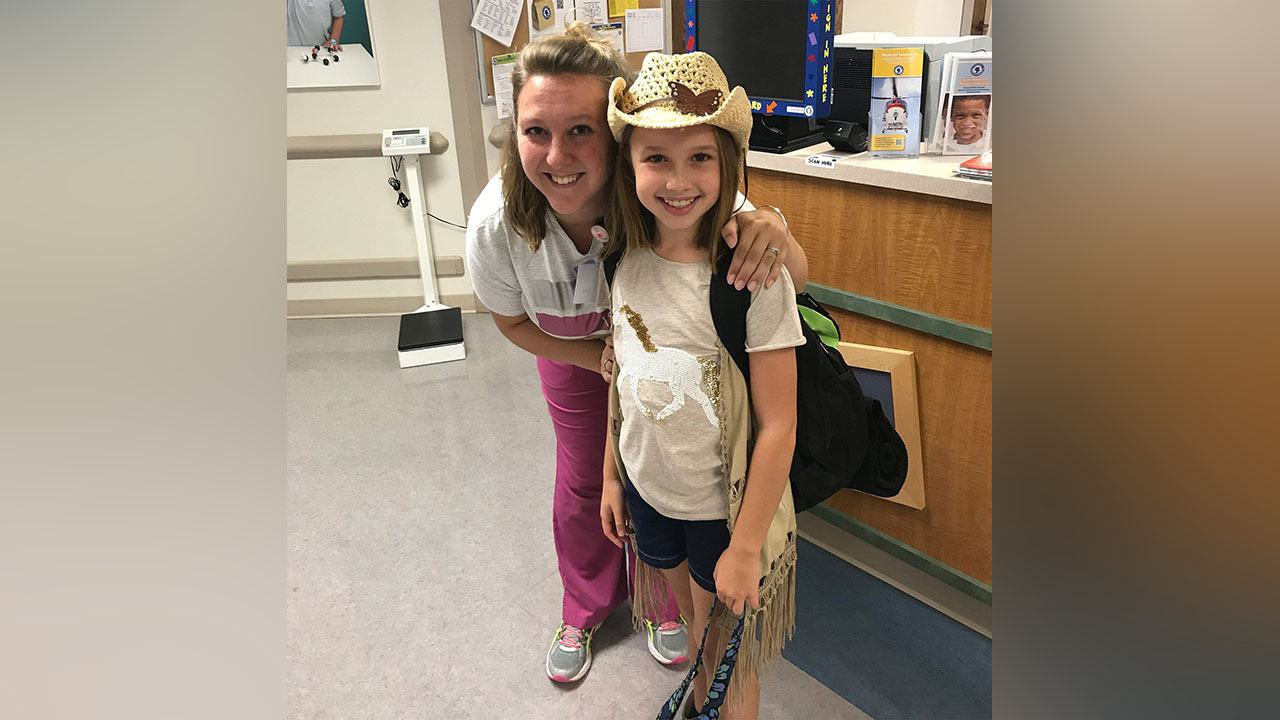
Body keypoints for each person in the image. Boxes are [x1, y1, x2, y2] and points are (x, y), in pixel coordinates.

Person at [465, 24, 807, 685]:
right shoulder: (495, 224)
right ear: (516, 135)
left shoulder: (668, 183)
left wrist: (775, 227)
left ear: (614, 139)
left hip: (670, 343)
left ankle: (664, 605)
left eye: (580, 130)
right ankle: (586, 607)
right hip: (567, 341)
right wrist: (589, 350)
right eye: (537, 131)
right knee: (587, 483)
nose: (557, 154)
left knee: (669, 467)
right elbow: (509, 322)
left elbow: (791, 275)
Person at [598, 51, 803, 720]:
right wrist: (610, 476)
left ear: (730, 165)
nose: (678, 180)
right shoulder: (622, 260)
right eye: (656, 157)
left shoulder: (752, 275)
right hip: (653, 491)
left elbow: (779, 425)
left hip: (725, 510)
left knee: (730, 659)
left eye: (700, 158)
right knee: (697, 629)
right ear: (630, 166)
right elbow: (621, 378)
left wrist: (745, 548)